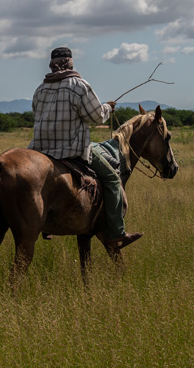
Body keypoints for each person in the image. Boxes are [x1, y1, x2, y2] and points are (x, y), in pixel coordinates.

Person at [28, 46, 141, 249]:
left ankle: (45, 225)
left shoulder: (40, 88)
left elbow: (35, 113)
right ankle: (117, 233)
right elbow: (96, 116)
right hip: (72, 150)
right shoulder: (79, 86)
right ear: (70, 62)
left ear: (52, 64)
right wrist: (107, 107)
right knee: (113, 180)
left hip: (39, 150)